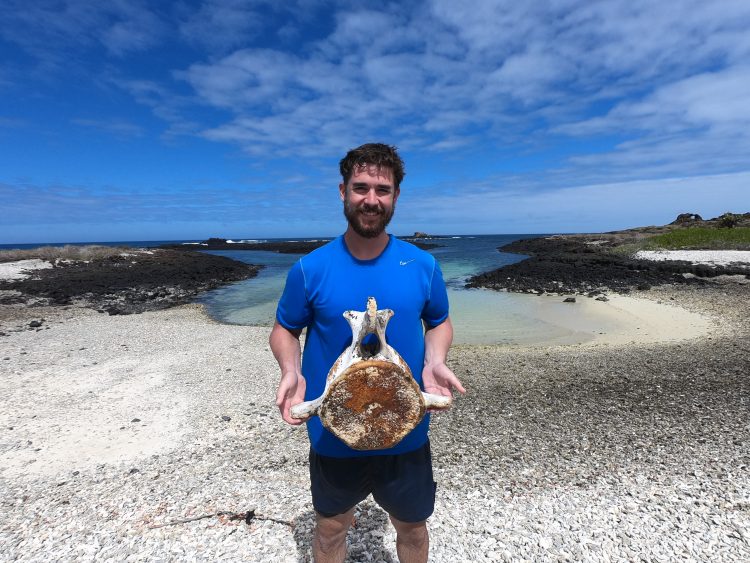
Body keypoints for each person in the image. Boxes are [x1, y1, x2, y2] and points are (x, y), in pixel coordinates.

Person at [269, 143, 465, 563]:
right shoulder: (310, 268)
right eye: (361, 188)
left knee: (412, 526)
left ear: (396, 196)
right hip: (332, 428)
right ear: (342, 191)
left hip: (406, 424)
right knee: (332, 526)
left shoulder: (422, 265)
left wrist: (435, 361)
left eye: (382, 189)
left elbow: (439, 321)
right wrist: (291, 370)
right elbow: (285, 328)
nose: (371, 200)